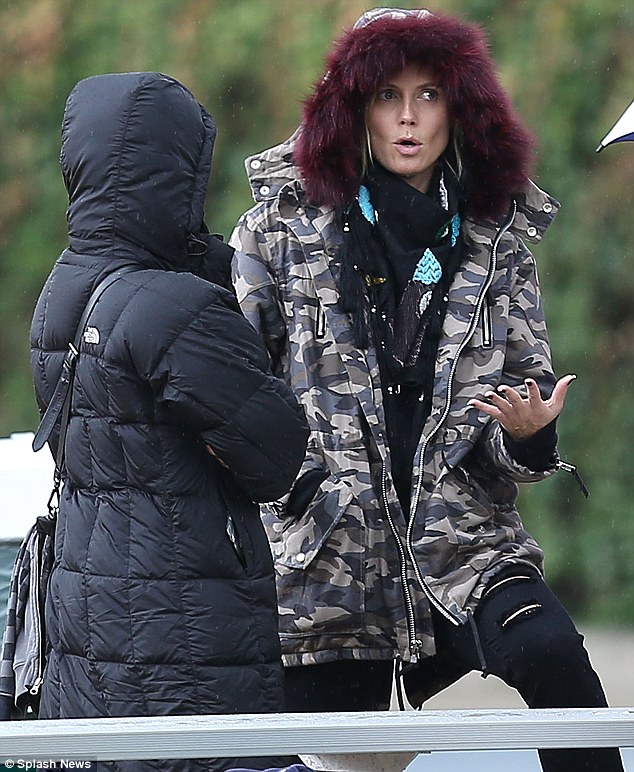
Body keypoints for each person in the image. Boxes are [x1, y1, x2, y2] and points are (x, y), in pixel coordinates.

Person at [230, 9, 624, 772]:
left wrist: (526, 436)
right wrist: (302, 489)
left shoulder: (497, 239)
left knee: (557, 661)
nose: (408, 117)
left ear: (461, 108)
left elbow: (522, 407)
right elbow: (241, 397)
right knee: (306, 757)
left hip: (464, 547)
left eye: (430, 94)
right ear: (353, 109)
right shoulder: (275, 233)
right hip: (329, 560)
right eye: (386, 95)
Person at [29, 72, 309, 772]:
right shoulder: (177, 309)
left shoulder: (61, 292)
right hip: (184, 630)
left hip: (88, 615)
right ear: (175, 175)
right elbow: (278, 454)